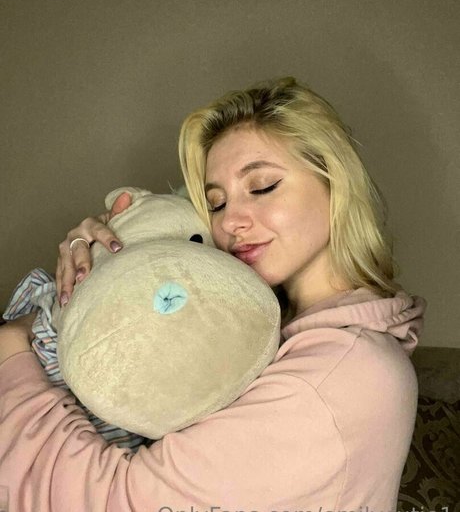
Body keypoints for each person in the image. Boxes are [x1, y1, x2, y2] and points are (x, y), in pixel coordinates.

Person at [0, 76, 425, 511]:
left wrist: (12, 350)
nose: (230, 222)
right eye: (216, 203)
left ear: (335, 182)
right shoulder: (264, 327)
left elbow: (114, 500)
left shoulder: (338, 377)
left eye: (262, 186)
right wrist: (104, 256)